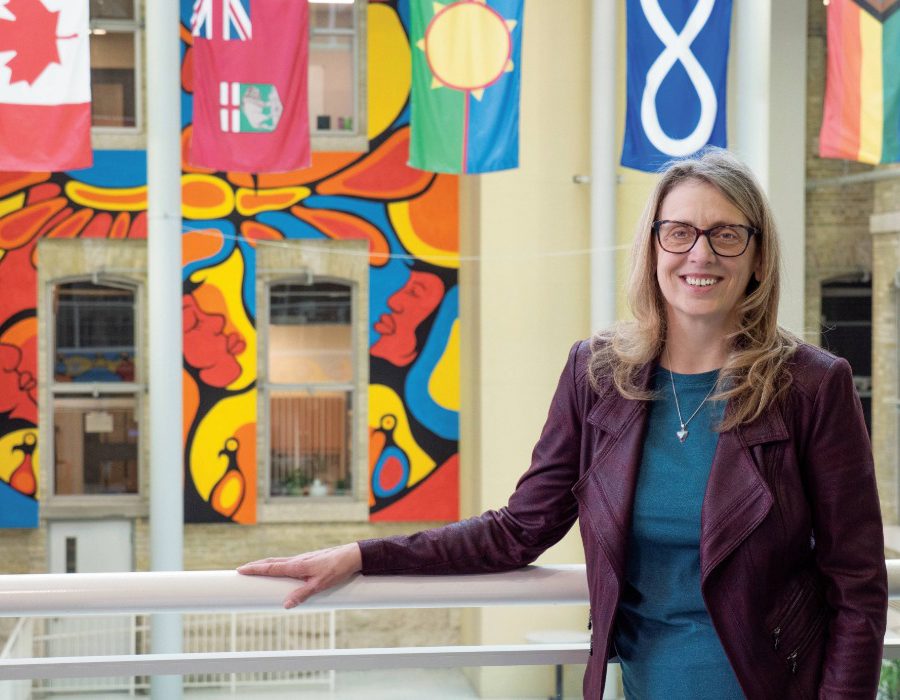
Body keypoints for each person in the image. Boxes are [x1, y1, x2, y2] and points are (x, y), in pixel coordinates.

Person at [239, 148, 887, 699]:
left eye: (726, 234)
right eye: (680, 231)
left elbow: (856, 585)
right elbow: (520, 529)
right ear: (654, 244)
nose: (701, 253)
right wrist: (362, 556)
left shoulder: (810, 385)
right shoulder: (597, 375)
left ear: (756, 253)